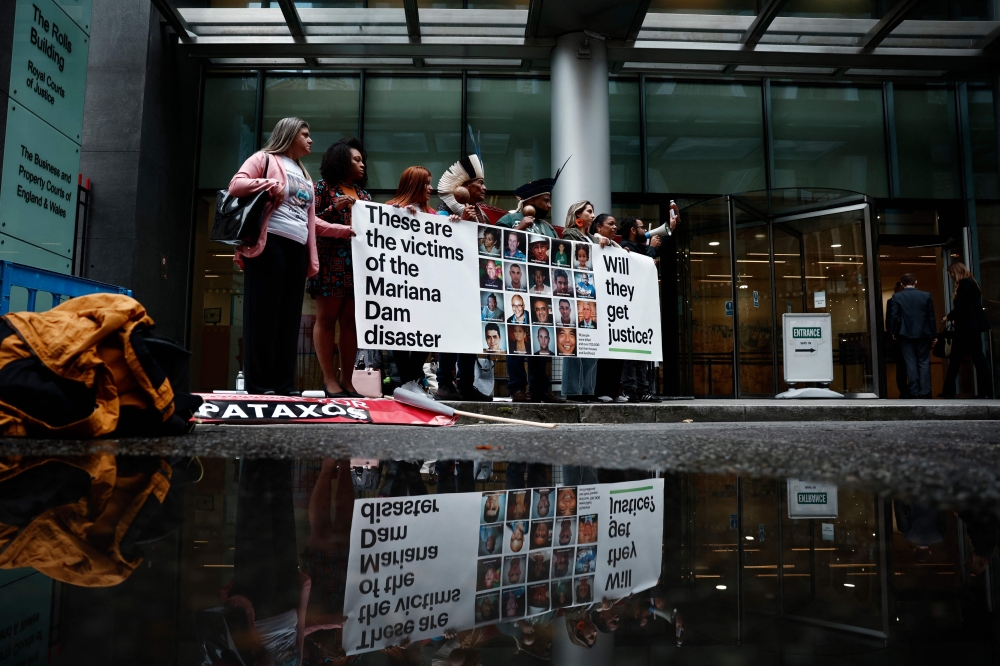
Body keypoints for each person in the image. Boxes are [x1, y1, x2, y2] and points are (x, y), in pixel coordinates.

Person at [229, 118, 353, 396]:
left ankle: (284, 384)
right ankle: (259, 385)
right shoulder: (264, 158)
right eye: (305, 134)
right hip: (268, 243)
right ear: (288, 134)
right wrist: (267, 184)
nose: (311, 140)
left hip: (297, 249)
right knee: (262, 316)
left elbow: (312, 222)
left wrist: (346, 231)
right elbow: (237, 185)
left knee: (288, 320)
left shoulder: (303, 173)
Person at [435, 154, 504, 401]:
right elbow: (436, 243)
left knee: (470, 336)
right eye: (480, 183)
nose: (485, 188)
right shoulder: (444, 213)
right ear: (463, 188)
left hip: (475, 285)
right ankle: (444, 383)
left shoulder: (481, 214)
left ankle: (465, 384)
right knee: (452, 333)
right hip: (452, 285)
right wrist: (459, 224)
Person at [304, 136, 369, 398]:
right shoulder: (322, 188)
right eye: (356, 159)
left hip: (359, 265)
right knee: (327, 319)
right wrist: (334, 207)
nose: (362, 164)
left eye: (362, 160)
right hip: (331, 261)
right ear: (342, 160)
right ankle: (329, 380)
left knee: (351, 323)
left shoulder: (364, 195)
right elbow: (309, 221)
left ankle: (347, 380)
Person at [386, 165, 440, 397]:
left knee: (427, 333)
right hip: (400, 284)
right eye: (427, 183)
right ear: (414, 185)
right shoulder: (390, 208)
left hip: (427, 286)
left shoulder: (434, 215)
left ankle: (411, 380)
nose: (431, 188)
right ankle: (409, 381)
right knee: (399, 331)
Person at [619, 215, 676, 404]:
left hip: (641, 306)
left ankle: (642, 389)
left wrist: (667, 232)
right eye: (641, 227)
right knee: (631, 352)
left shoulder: (639, 245)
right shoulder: (626, 246)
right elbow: (640, 266)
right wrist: (651, 249)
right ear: (633, 230)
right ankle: (631, 389)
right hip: (631, 307)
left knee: (641, 350)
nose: (645, 230)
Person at [560, 201, 601, 402]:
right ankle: (573, 390)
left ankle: (588, 389)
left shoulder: (593, 237)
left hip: (592, 297)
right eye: (589, 211)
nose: (593, 215)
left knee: (591, 345)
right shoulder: (570, 234)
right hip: (576, 295)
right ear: (578, 214)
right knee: (574, 344)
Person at [941, 262, 992, 398]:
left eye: (951, 273)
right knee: (978, 358)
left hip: (966, 328)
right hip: (973, 327)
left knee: (956, 359)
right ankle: (986, 391)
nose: (951, 277)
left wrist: (949, 317)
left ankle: (948, 392)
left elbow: (962, 306)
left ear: (956, 272)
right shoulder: (973, 283)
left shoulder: (964, 284)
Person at [592, 214, 626, 401]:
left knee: (618, 349)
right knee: (604, 351)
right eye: (610, 224)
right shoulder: (597, 241)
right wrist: (599, 240)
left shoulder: (617, 247)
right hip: (602, 305)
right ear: (598, 227)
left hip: (617, 306)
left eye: (615, 224)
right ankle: (602, 391)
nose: (614, 227)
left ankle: (614, 390)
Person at [888, 272, 937, 399]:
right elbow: (931, 317)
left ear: (902, 284)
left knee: (910, 362)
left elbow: (894, 316)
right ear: (916, 282)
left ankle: (914, 390)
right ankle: (925, 390)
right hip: (924, 333)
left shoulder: (897, 297)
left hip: (905, 333)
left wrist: (893, 332)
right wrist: (934, 335)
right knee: (924, 362)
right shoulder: (926, 296)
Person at [496, 160, 570, 238]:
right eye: (546, 200)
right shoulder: (509, 219)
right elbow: (495, 245)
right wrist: (519, 228)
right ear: (532, 200)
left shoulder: (548, 227)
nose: (549, 205)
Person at [886, 281, 910, 398]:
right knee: (912, 364)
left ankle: (903, 391)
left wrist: (892, 334)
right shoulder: (910, 301)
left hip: (897, 338)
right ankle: (913, 390)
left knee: (900, 366)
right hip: (909, 337)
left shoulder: (891, 302)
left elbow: (889, 321)